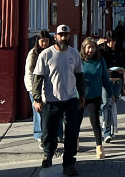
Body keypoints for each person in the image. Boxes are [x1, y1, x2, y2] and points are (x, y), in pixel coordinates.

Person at [32, 24, 85, 176]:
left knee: (71, 132)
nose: (63, 38)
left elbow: (80, 77)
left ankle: (69, 163)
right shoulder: (46, 54)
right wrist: (37, 99)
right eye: (60, 35)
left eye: (66, 35)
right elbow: (38, 78)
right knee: (49, 131)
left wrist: (82, 96)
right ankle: (48, 155)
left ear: (69, 36)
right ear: (55, 37)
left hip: (70, 99)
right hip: (51, 100)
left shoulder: (74, 54)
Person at [78, 37, 113, 159]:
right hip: (79, 95)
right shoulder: (79, 60)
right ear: (84, 48)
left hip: (94, 95)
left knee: (95, 122)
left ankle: (99, 147)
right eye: (89, 47)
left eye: (93, 47)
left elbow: (105, 78)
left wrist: (111, 93)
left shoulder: (99, 60)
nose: (91, 50)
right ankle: (75, 142)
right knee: (76, 122)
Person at [98, 30, 125, 143]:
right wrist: (97, 44)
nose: (111, 44)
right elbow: (92, 58)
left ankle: (112, 128)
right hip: (106, 81)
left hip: (118, 80)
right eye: (109, 41)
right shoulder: (102, 51)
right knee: (105, 104)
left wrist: (122, 70)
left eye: (113, 41)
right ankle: (106, 131)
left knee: (113, 105)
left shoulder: (121, 51)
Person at [24, 30, 52, 145]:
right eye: (42, 41)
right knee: (38, 111)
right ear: (38, 41)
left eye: (46, 41)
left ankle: (50, 133)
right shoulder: (33, 53)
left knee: (49, 112)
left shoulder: (52, 52)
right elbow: (29, 72)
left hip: (49, 88)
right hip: (36, 88)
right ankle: (39, 133)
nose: (44, 43)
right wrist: (31, 89)